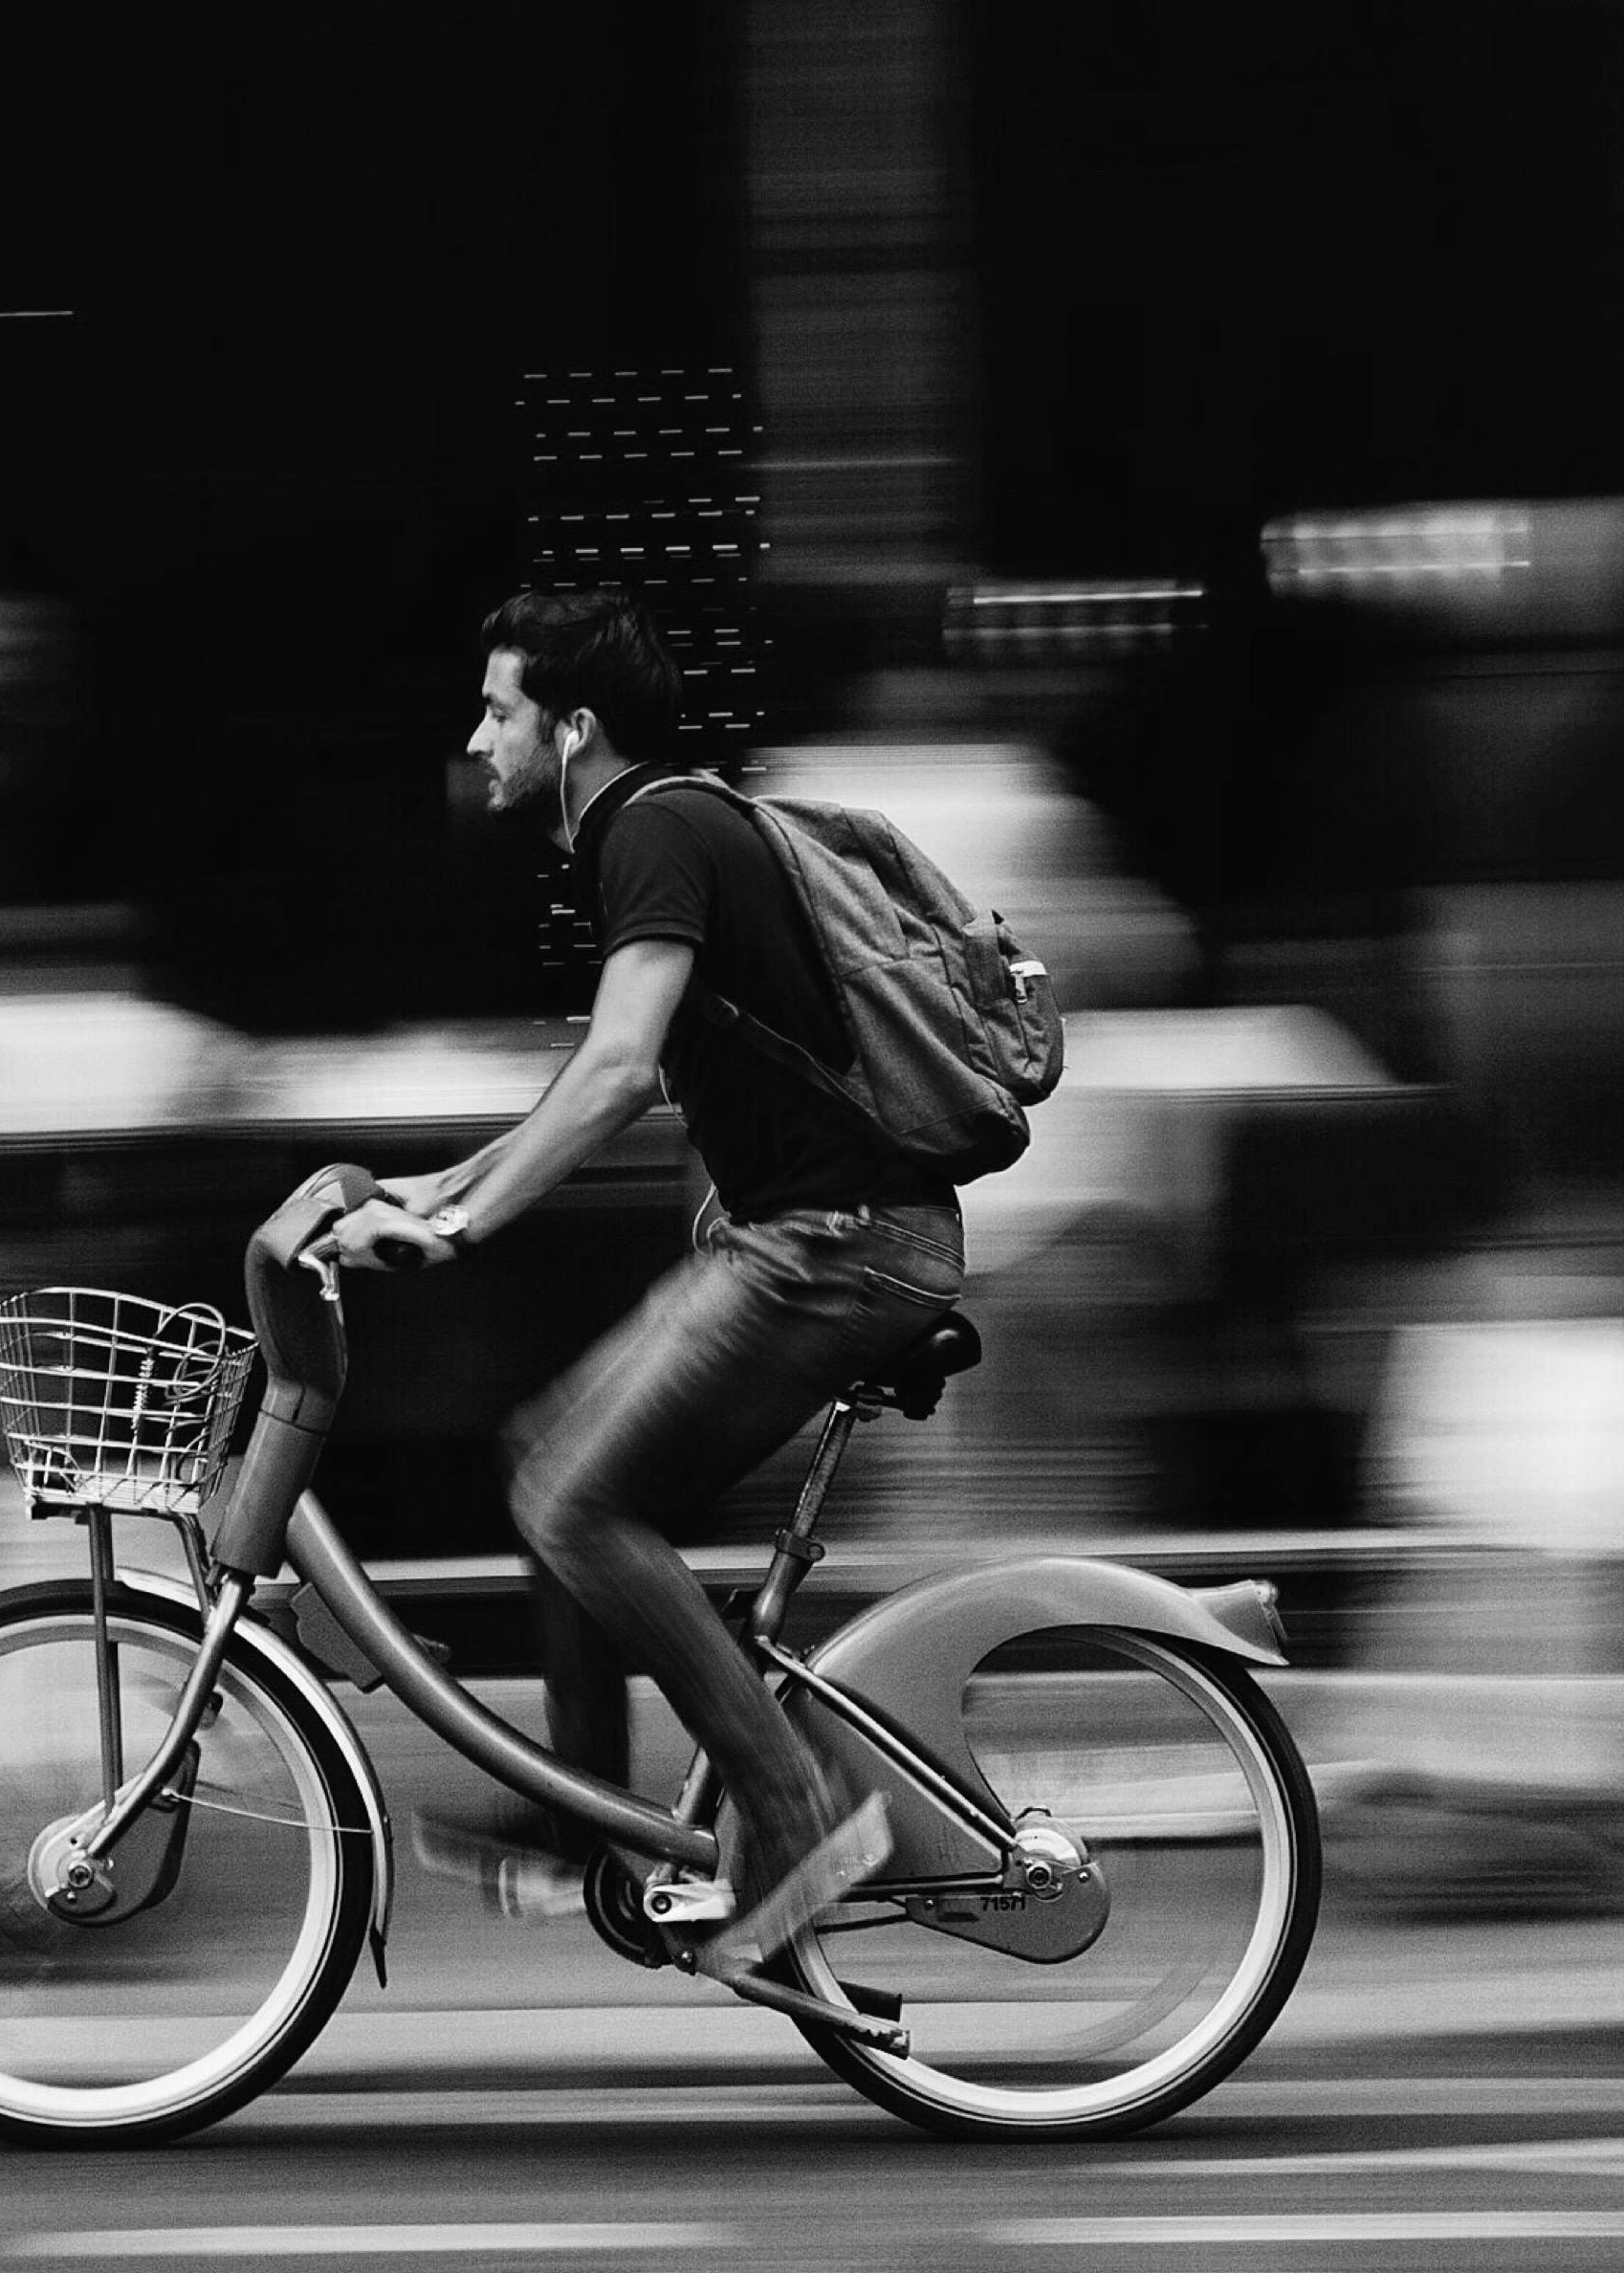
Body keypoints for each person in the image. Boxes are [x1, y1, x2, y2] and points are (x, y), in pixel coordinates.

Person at [331, 589, 967, 1978]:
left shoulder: (655, 828)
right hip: (802, 1238)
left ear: (575, 729)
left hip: (837, 1245)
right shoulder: (666, 826)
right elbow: (608, 1081)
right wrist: (446, 1185)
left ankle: (798, 1818)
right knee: (540, 1452)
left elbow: (617, 1071)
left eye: (499, 710)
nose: (477, 735)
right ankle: (589, 1823)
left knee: (573, 1497)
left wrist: (465, 1229)